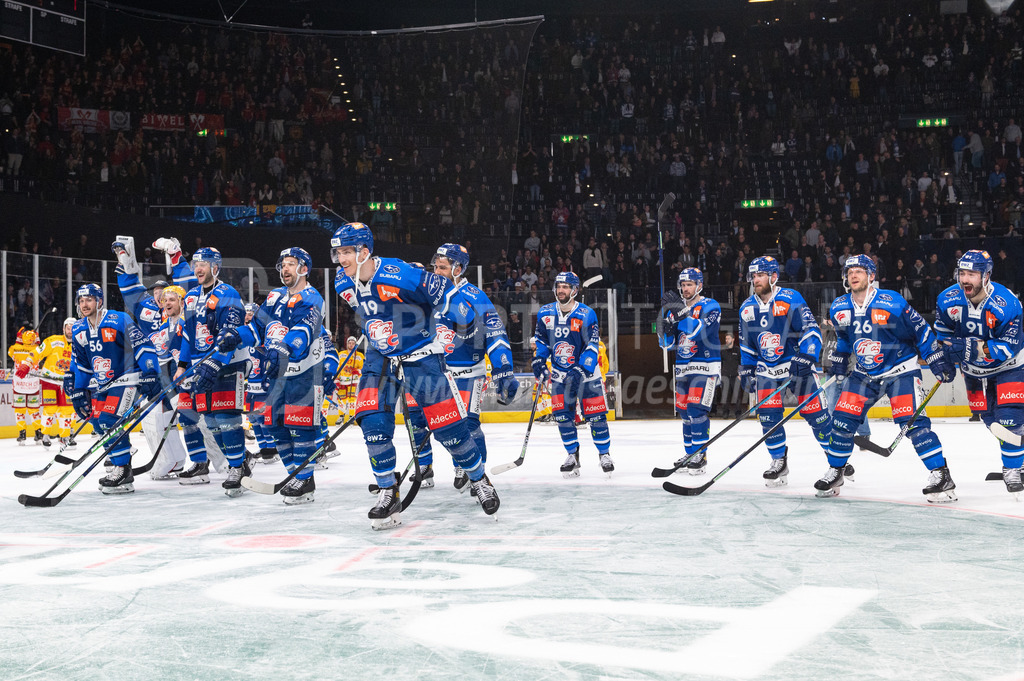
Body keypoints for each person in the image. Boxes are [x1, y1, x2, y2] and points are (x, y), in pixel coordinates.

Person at [331, 222, 498, 529]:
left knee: (448, 428)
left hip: (421, 354)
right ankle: (387, 491)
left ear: (364, 251)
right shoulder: (342, 281)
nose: (341, 259)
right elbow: (368, 311)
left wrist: (454, 320)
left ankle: (479, 478)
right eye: (338, 252)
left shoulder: (399, 274)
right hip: (380, 357)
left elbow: (443, 290)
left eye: (347, 252)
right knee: (372, 420)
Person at [823, 255, 957, 500]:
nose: (853, 275)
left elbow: (921, 331)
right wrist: (841, 358)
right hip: (864, 374)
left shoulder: (891, 302)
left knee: (914, 423)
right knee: (841, 421)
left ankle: (941, 474)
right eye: (850, 271)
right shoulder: (839, 307)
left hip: (900, 371)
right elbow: (844, 338)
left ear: (871, 276)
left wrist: (935, 358)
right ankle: (836, 470)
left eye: (860, 271)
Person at [409, 243, 520, 490]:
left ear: (458, 269)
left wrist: (504, 370)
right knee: (417, 421)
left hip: (468, 373)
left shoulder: (475, 297)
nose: (436, 272)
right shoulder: (426, 293)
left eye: (442, 267)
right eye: (434, 266)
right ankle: (425, 467)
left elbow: (495, 334)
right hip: (431, 372)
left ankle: (475, 474)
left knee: (468, 424)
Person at [236, 247, 325, 504]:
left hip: (305, 373)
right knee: (274, 424)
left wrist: (284, 348)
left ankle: (305, 477)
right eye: (282, 264)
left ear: (304, 269)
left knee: (300, 426)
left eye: (290, 264)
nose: (284, 269)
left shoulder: (312, 297)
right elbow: (257, 326)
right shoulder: (275, 296)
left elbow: (304, 330)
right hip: (275, 373)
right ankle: (294, 474)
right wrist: (236, 336)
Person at [934, 250, 1024, 498]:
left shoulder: (1008, 304)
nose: (965, 279)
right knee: (989, 419)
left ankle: (1013, 468)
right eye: (962, 272)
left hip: (1010, 367)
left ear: (986, 275)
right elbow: (942, 334)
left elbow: (1008, 347)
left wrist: (972, 348)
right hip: (973, 372)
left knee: (1009, 418)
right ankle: (1017, 451)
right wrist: (944, 357)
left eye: (972, 273)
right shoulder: (948, 299)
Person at [737, 256, 832, 487]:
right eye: (753, 276)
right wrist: (747, 368)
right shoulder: (746, 307)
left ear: (773, 276)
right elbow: (747, 344)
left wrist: (807, 355)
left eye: (760, 275)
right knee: (769, 419)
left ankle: (836, 461)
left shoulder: (791, 299)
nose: (755, 279)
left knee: (818, 417)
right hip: (766, 371)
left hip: (796, 367)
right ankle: (778, 461)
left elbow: (811, 330)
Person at [112, 235, 198, 475]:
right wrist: (126, 265)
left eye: (166, 292)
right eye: (156, 292)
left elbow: (191, 291)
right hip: (158, 372)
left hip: (184, 368)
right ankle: (171, 460)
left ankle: (222, 459)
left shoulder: (183, 307)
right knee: (153, 419)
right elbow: (131, 291)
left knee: (194, 416)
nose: (160, 296)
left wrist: (175, 256)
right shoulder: (148, 309)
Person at [67, 284, 162, 494]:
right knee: (96, 419)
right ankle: (122, 455)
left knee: (109, 419)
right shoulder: (78, 329)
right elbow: (82, 366)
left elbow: (142, 345)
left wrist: (150, 371)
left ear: (99, 301)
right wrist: (79, 391)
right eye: (81, 301)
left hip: (128, 377)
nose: (84, 304)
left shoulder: (118, 319)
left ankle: (122, 469)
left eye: (89, 299)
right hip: (104, 383)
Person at [173, 247, 252, 495]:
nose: (198, 268)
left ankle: (237, 466)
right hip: (200, 366)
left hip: (229, 363)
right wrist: (182, 366)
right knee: (210, 420)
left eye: (204, 264)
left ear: (215, 267)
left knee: (226, 418)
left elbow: (230, 336)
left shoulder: (228, 294)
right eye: (196, 263)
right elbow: (188, 334)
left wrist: (215, 362)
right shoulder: (190, 297)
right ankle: (238, 460)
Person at [532, 271, 614, 478]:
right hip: (560, 375)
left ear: (575, 290)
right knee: (563, 417)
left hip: (587, 375)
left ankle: (604, 454)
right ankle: (572, 455)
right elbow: (541, 341)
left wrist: (580, 369)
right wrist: (539, 360)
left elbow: (592, 345)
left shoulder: (586, 314)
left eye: (566, 287)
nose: (561, 290)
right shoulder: (545, 312)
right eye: (559, 286)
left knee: (596, 417)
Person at [659, 268, 721, 474]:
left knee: (697, 410)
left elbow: (698, 331)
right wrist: (664, 329)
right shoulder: (674, 310)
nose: (685, 289)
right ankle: (689, 453)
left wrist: (679, 313)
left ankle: (700, 455)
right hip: (683, 368)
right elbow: (667, 345)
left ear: (699, 285)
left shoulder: (710, 306)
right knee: (684, 412)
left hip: (706, 366)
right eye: (683, 285)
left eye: (689, 285)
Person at [147, 285, 192, 480]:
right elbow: (160, 354)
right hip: (173, 377)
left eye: (172, 300)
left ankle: (224, 460)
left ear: (182, 302)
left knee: (197, 421)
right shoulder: (165, 326)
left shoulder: (188, 322)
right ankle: (175, 460)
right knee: (163, 418)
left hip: (190, 377)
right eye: (165, 300)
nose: (167, 303)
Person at [14, 318, 76, 447]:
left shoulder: (81, 345)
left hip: (68, 382)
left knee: (67, 410)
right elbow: (36, 352)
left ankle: (64, 436)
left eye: (72, 328)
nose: (70, 331)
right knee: (50, 408)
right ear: (63, 328)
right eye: (68, 327)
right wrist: (26, 364)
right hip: (49, 381)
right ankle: (46, 435)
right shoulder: (53, 341)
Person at [242, 302, 279, 466]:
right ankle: (263, 448)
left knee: (263, 418)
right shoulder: (246, 336)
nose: (248, 316)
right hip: (251, 384)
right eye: (246, 313)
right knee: (253, 418)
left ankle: (271, 449)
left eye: (251, 313)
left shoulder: (262, 336)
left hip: (263, 384)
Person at [8, 327, 43, 445]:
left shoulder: (16, 348)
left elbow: (10, 352)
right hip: (33, 384)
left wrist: (18, 340)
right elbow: (42, 351)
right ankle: (38, 432)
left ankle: (22, 433)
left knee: (19, 410)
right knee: (34, 410)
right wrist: (37, 340)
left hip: (19, 385)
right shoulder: (37, 349)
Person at [336, 336, 364, 420]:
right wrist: (336, 379)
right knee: (341, 399)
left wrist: (357, 371)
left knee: (352, 399)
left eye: (353, 343)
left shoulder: (359, 356)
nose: (351, 345)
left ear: (356, 345)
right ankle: (341, 416)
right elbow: (337, 367)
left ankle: (351, 416)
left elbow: (363, 368)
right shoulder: (341, 354)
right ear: (347, 343)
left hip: (353, 381)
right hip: (342, 380)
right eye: (349, 343)